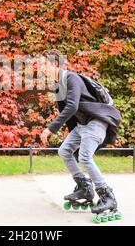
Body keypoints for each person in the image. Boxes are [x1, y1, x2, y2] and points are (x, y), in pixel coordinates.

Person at [39, 49, 122, 216]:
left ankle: (107, 196)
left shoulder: (71, 78)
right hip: (82, 125)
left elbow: (72, 107)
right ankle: (85, 187)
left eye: (42, 64)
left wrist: (50, 129)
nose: (39, 67)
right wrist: (70, 135)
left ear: (54, 64)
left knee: (85, 157)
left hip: (96, 121)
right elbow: (69, 114)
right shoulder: (58, 86)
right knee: (64, 150)